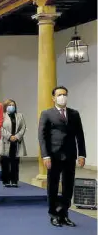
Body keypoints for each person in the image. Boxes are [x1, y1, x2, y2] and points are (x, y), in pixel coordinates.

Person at [39, 86, 86, 227]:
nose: (62, 97)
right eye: (59, 95)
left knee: (68, 187)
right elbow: (42, 136)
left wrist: (82, 154)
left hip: (70, 155)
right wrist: (45, 155)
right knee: (53, 186)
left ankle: (64, 214)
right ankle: (53, 214)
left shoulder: (74, 114)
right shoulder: (47, 114)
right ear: (53, 98)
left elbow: (80, 135)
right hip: (53, 156)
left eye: (64, 94)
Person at [0, 99, 26, 188]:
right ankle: (6, 181)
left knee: (15, 163)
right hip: (6, 141)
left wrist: (16, 137)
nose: (11, 107)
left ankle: (14, 181)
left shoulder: (20, 116)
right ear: (5, 106)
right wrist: (9, 136)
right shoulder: (1, 116)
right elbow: (0, 128)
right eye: (9, 105)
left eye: (13, 105)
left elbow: (23, 127)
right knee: (5, 162)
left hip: (16, 142)